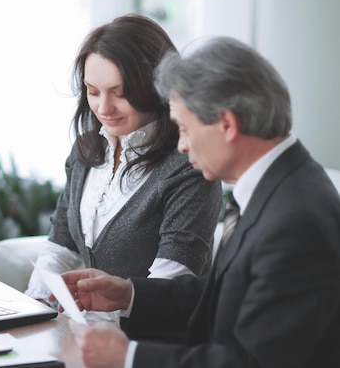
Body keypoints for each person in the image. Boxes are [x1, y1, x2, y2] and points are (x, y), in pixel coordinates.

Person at [60, 36, 340, 367]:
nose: (180, 145)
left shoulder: (295, 220)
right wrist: (129, 295)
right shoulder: (279, 185)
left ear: (227, 125)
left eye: (184, 128)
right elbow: (225, 297)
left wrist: (129, 357)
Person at [25, 14, 223, 308]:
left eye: (120, 93)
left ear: (157, 88)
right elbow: (61, 245)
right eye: (93, 92)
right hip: (84, 330)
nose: (103, 108)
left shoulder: (189, 166)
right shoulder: (87, 149)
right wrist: (33, 308)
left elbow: (170, 282)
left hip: (151, 343)